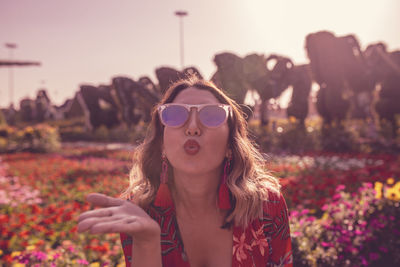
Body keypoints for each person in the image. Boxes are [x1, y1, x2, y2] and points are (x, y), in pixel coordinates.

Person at [77, 77, 292, 267]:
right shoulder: (138, 212)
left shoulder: (266, 206)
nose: (192, 127)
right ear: (161, 141)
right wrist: (146, 242)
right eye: (175, 115)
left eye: (211, 115)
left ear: (230, 142)